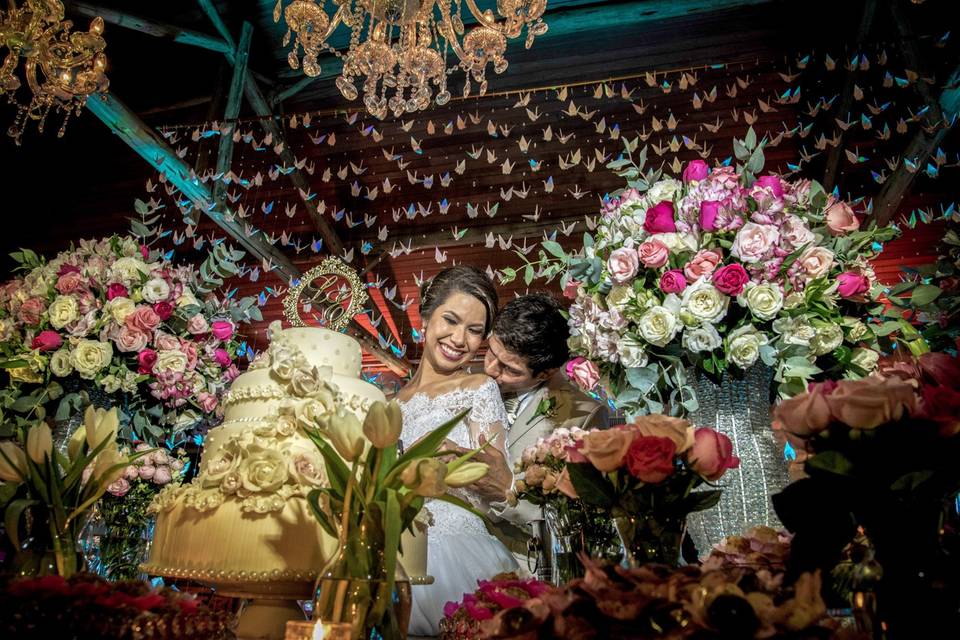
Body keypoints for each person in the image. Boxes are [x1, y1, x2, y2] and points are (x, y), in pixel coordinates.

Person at [394, 266, 519, 636]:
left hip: (458, 552)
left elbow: (501, 486)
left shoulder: (478, 388)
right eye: (451, 320)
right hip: (396, 554)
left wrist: (453, 461)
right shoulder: (389, 404)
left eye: (475, 330)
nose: (460, 338)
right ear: (425, 317)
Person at [477, 294, 609, 557]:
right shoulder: (473, 389)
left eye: (510, 370)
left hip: (523, 564)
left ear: (546, 372)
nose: (491, 370)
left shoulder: (583, 416)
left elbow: (582, 518)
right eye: (490, 352)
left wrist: (507, 493)